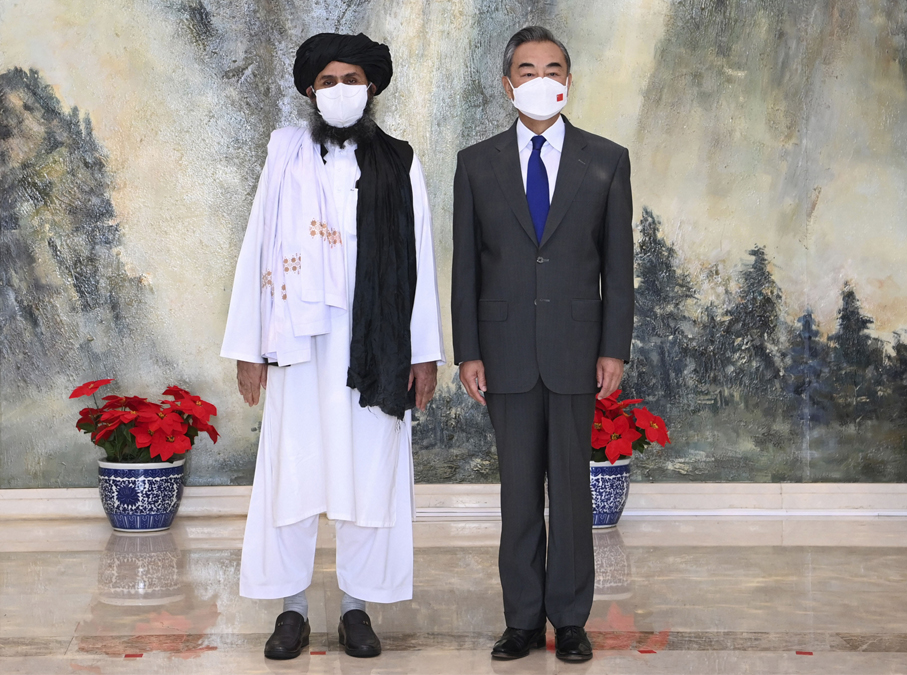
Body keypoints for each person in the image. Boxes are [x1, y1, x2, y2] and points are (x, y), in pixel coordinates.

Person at [220, 32, 444, 660]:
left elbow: (419, 260)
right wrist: (249, 346)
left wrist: (423, 351)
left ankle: (356, 609)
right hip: (297, 340)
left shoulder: (399, 160)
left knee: (368, 472)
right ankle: (290, 611)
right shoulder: (284, 153)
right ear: (311, 92)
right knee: (293, 471)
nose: (340, 89)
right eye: (327, 81)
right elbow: (259, 244)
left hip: (375, 345)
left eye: (351, 79)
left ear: (370, 87)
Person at [450, 26, 634, 663]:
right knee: (518, 493)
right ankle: (523, 620)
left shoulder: (606, 160)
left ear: (570, 80)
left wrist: (614, 347)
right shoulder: (475, 163)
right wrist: (468, 350)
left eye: (552, 69)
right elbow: (466, 267)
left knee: (573, 496)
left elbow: (618, 263)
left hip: (577, 350)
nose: (540, 80)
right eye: (526, 71)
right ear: (508, 85)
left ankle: (571, 620)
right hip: (503, 354)